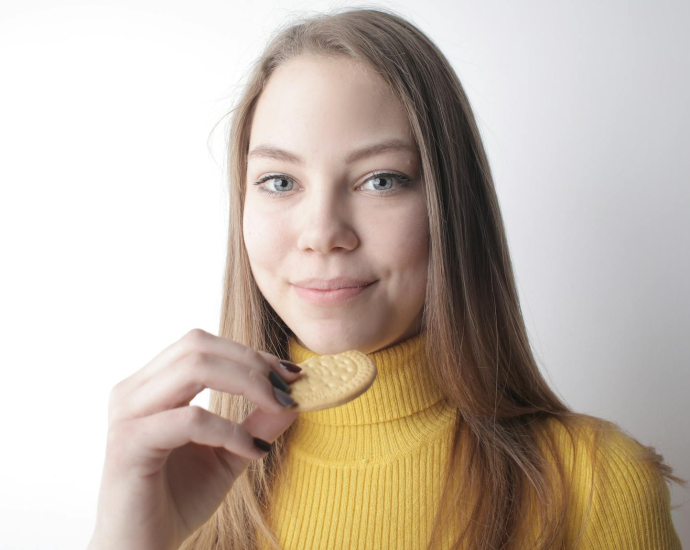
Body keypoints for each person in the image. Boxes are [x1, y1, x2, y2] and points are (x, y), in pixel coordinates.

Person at [88, 7, 686, 550]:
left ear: (451, 209)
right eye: (279, 181)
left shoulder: (599, 486)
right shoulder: (182, 486)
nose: (322, 232)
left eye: (381, 180)